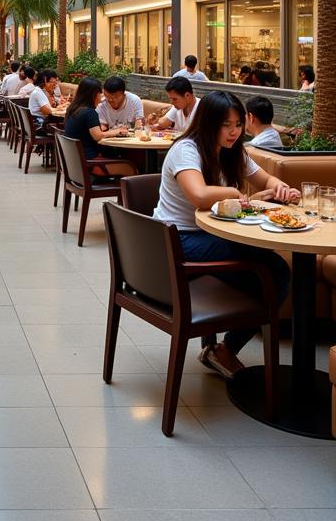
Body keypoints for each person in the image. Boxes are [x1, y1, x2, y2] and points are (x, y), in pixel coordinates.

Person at [151, 90, 298, 378]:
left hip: (210, 236)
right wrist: (238, 194)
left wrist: (279, 187)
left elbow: (265, 179)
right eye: (226, 125)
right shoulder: (187, 149)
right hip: (178, 240)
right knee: (273, 271)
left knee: (271, 268)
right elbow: (199, 195)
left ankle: (224, 347)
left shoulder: (233, 152)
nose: (234, 132)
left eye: (238, 125)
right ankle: (226, 349)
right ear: (208, 123)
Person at [63, 76, 116, 160]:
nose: (101, 97)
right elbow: (97, 136)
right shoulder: (89, 112)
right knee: (132, 168)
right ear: (94, 94)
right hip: (90, 161)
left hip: (75, 161)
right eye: (100, 93)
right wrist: (116, 132)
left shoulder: (73, 109)